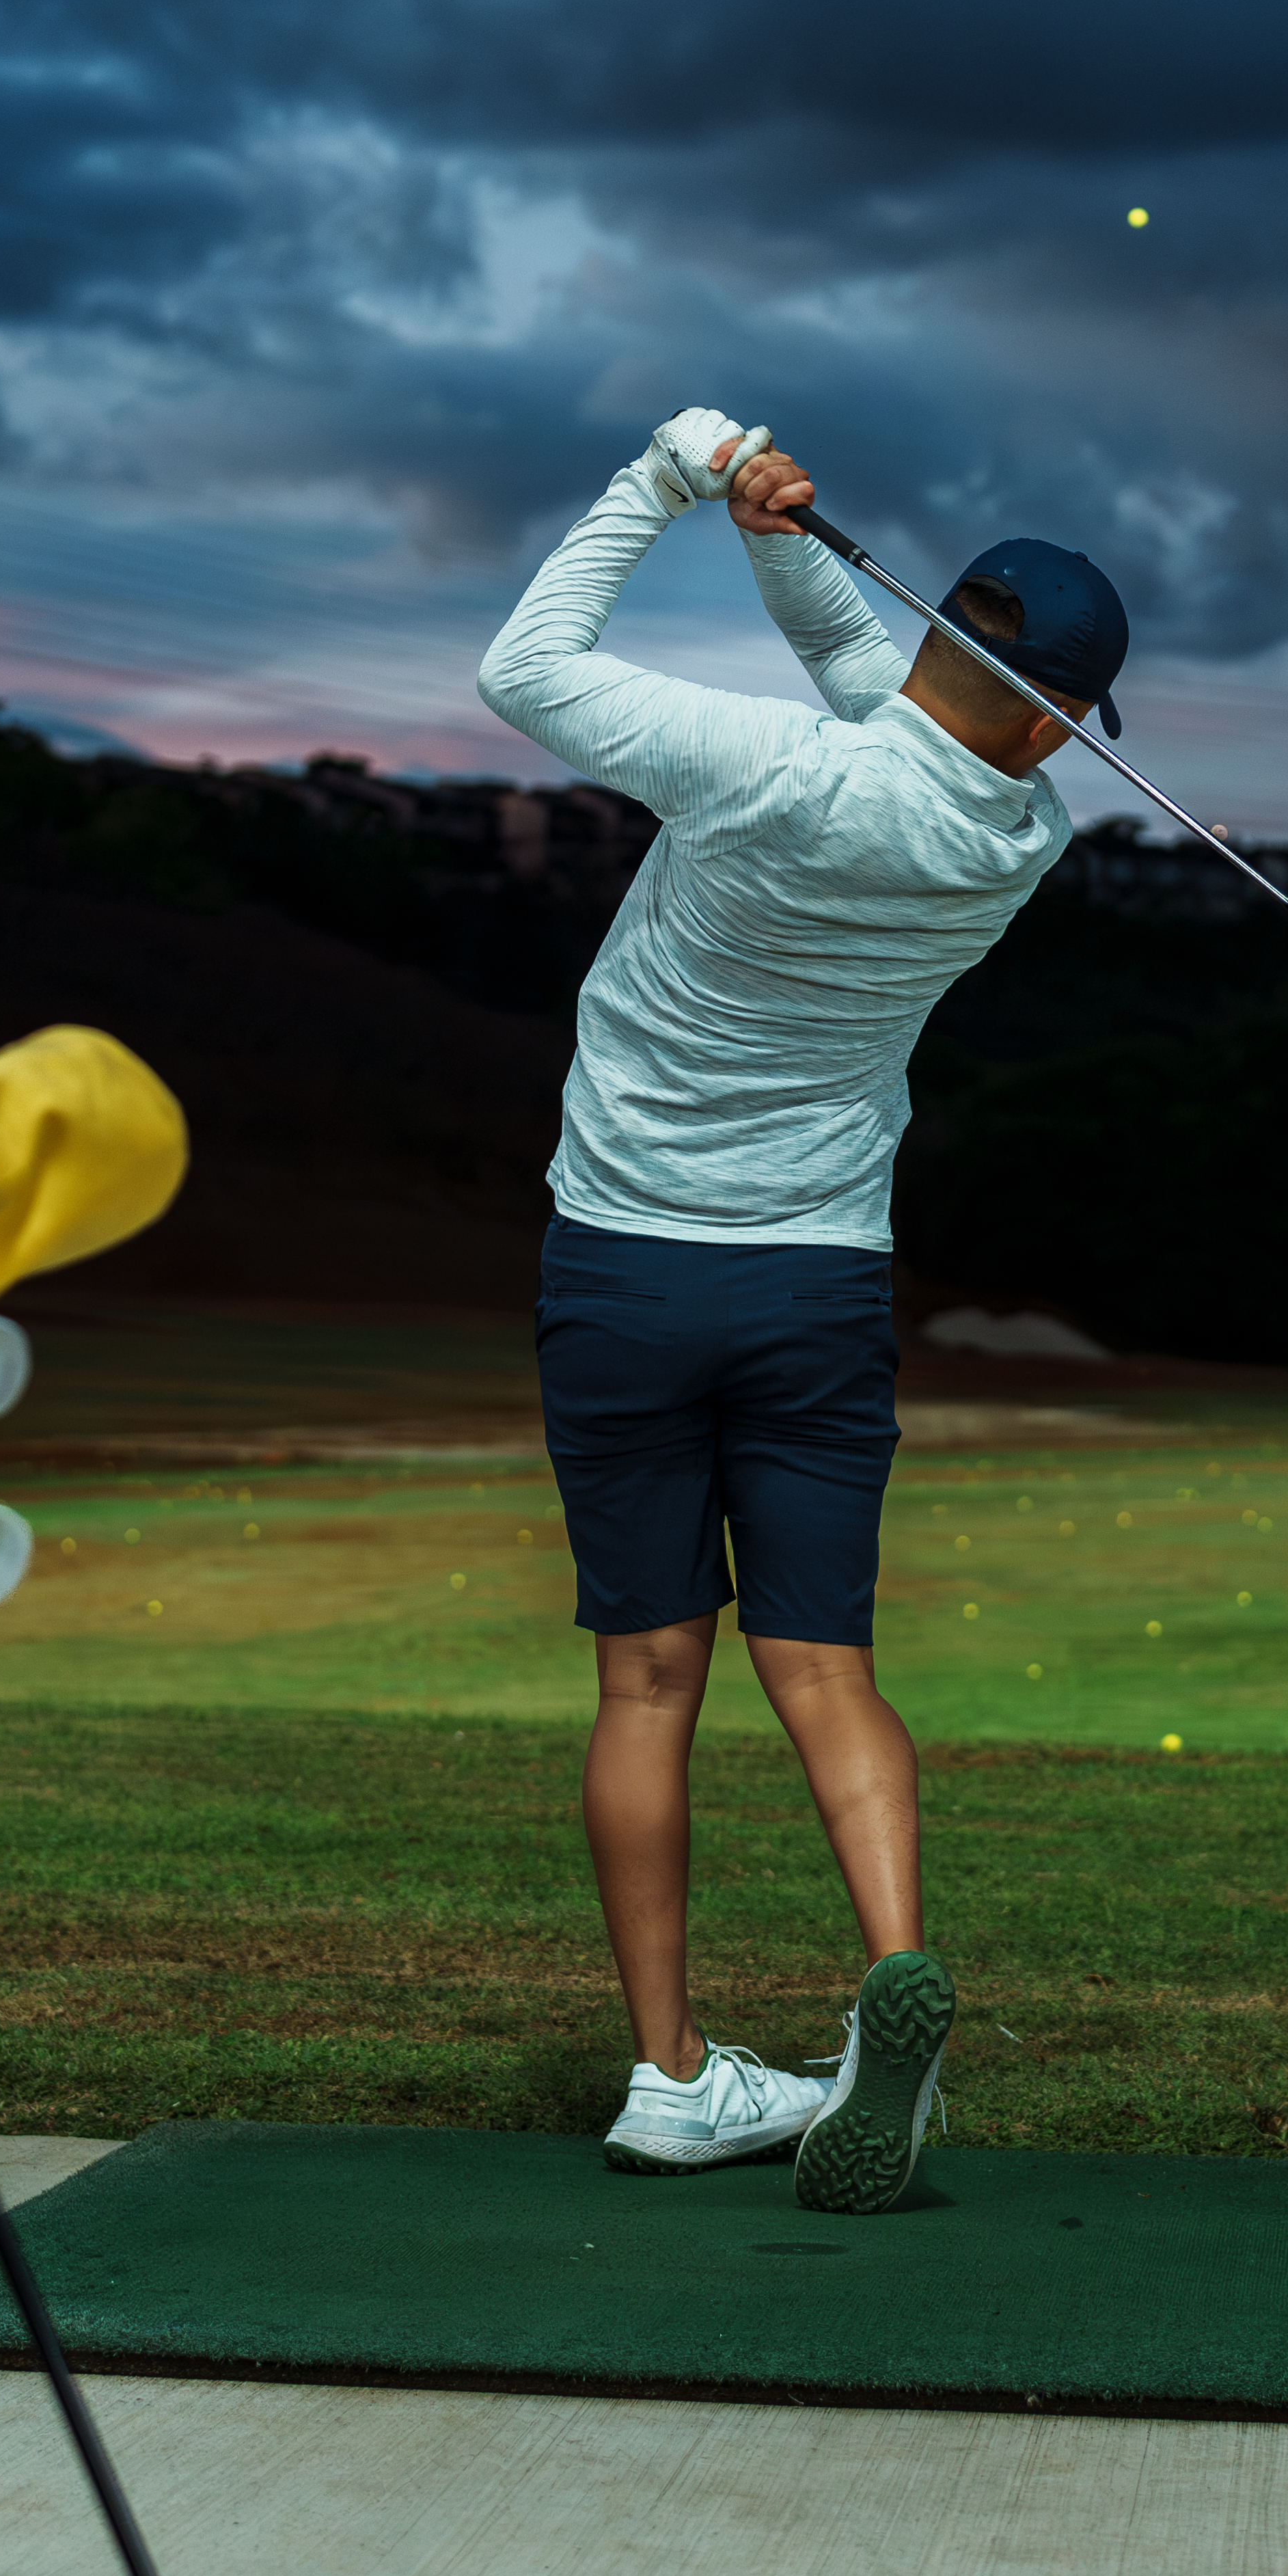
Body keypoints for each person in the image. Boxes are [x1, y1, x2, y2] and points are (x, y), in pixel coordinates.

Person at [478, 406, 1131, 2212]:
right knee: (827, 1671)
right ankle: (888, 1995)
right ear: (1059, 719)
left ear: (939, 629)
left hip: (622, 1264)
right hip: (817, 1282)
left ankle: (671, 2072)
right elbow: (894, 691)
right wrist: (783, 534)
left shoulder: (757, 770)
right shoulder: (1023, 840)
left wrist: (672, 482)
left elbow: (522, 665)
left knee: (647, 1676)